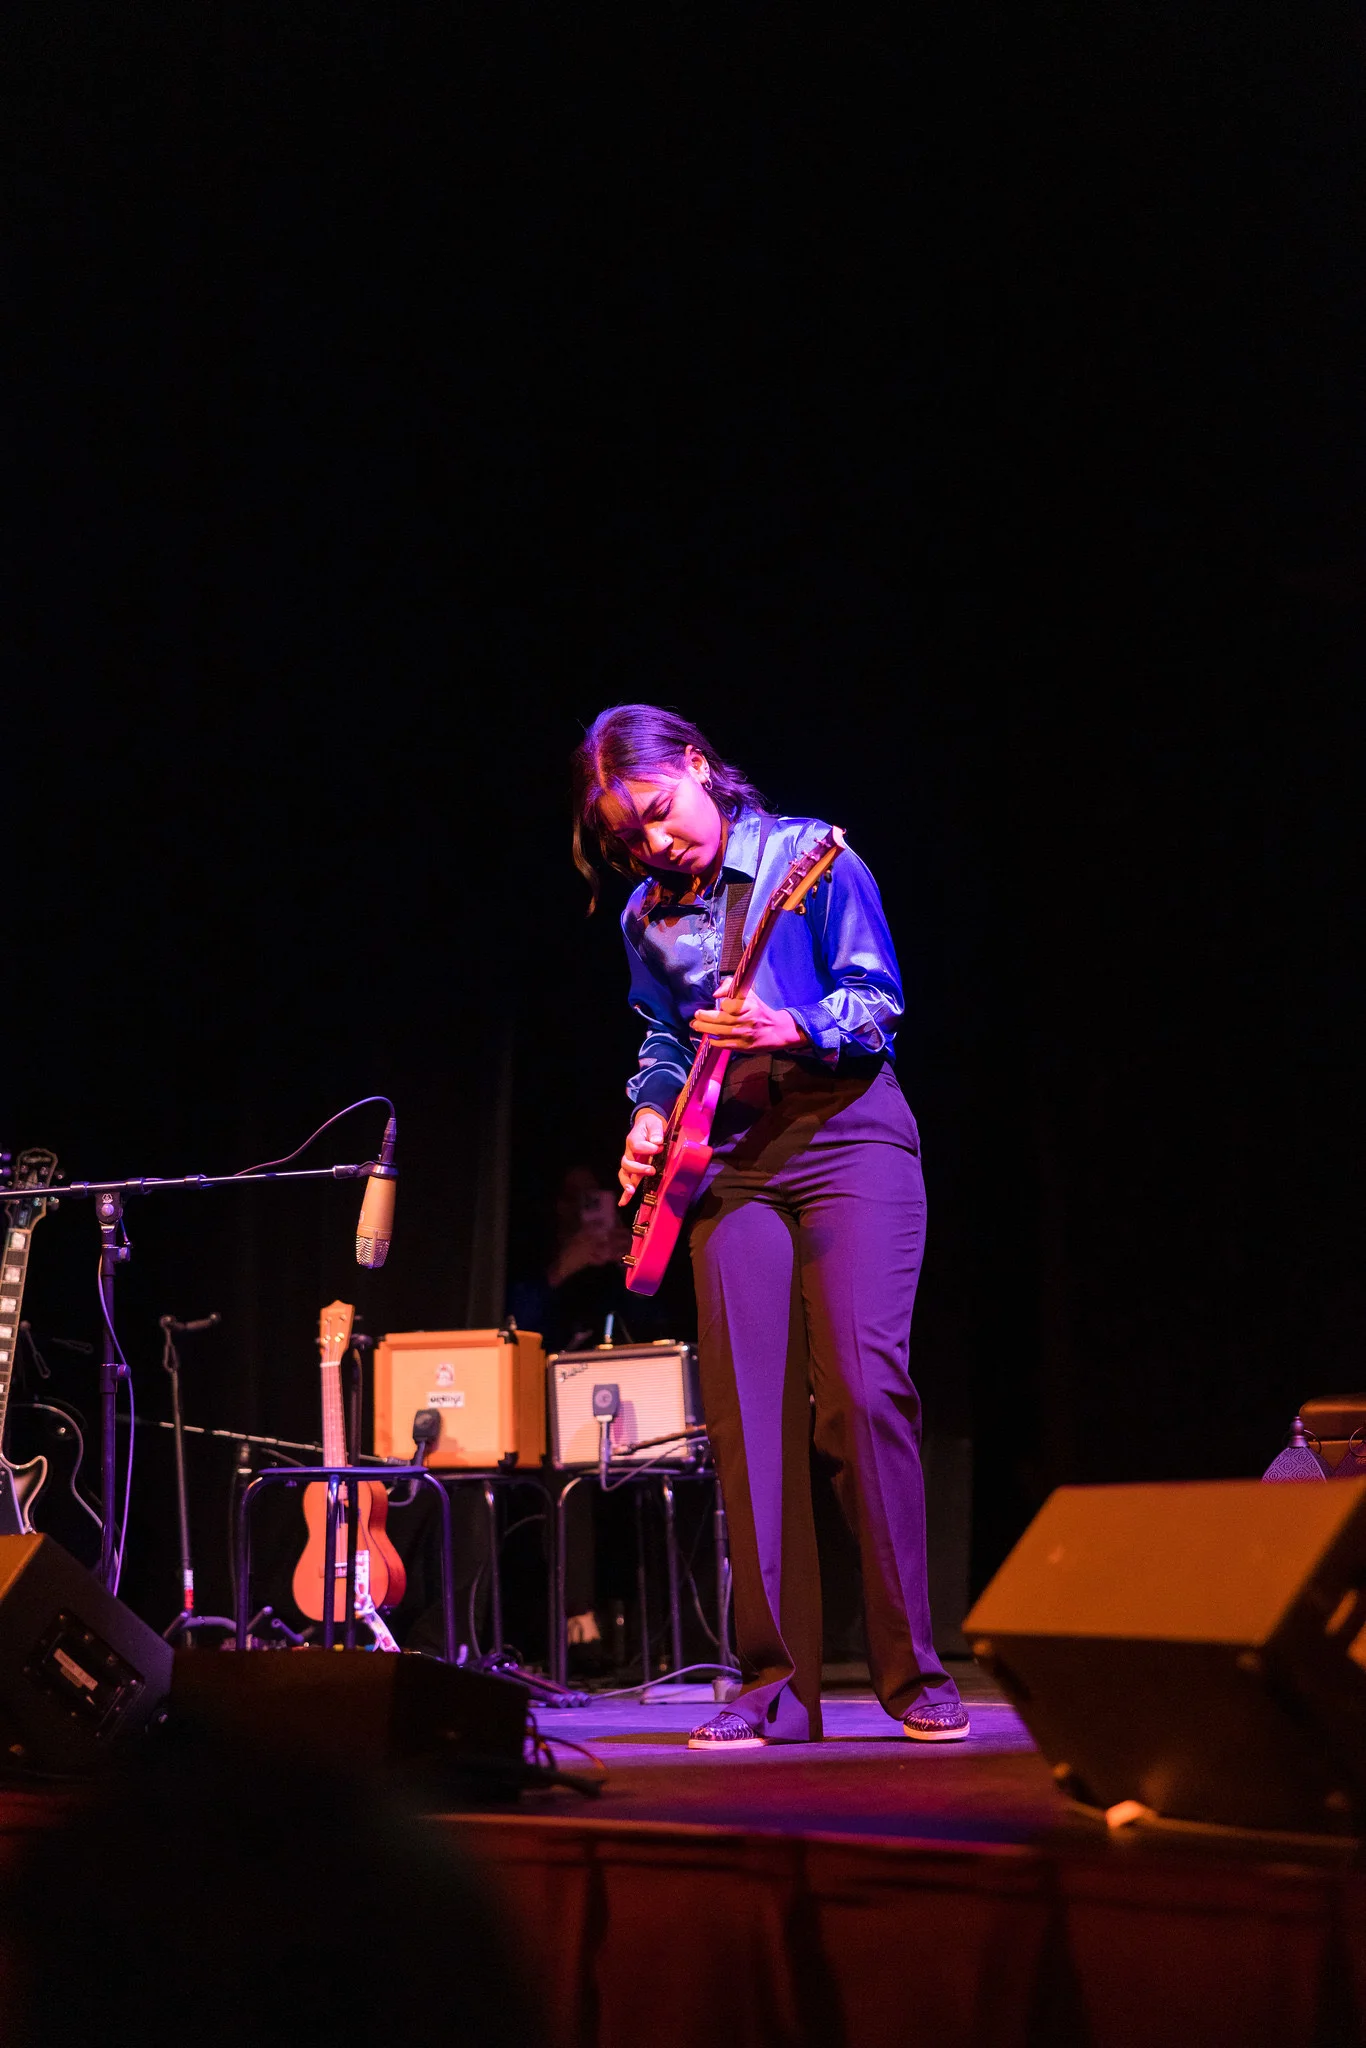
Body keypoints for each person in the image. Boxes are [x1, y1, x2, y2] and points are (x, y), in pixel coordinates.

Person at [571, 703, 967, 1747]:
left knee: (860, 1389)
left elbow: (877, 1000)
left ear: (697, 766)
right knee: (747, 1419)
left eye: (659, 812)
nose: (654, 843)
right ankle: (772, 1690)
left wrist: (792, 1023)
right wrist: (650, 1113)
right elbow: (662, 1034)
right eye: (630, 836)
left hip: (847, 1133)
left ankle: (910, 1672)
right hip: (728, 1160)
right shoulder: (644, 917)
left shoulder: (811, 855)